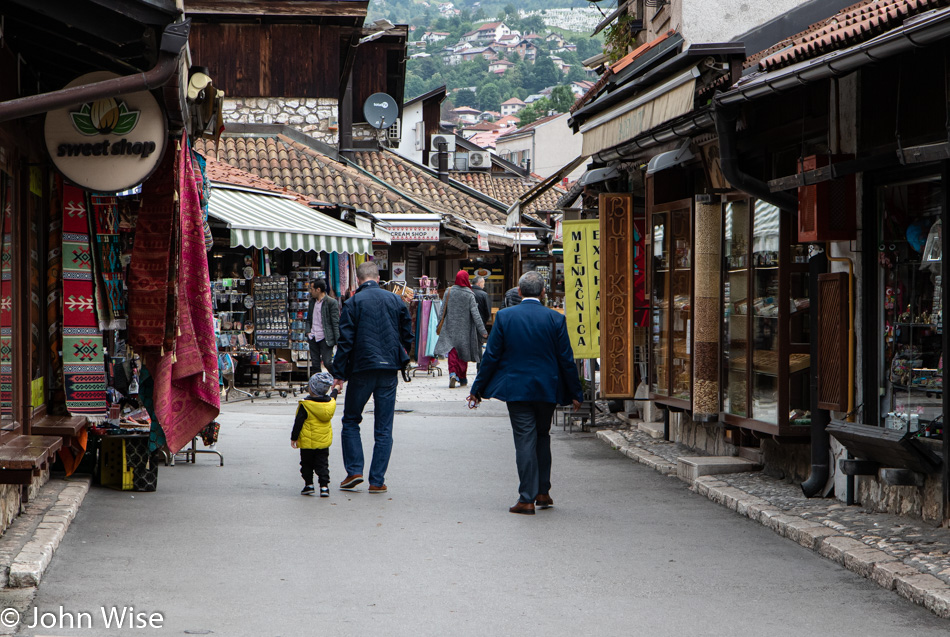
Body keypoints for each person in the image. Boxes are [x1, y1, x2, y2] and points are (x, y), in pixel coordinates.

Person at [467, 270, 583, 515]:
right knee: (542, 436)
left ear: (519, 292)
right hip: (546, 388)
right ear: (543, 292)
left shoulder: (506, 317)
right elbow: (566, 359)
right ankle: (543, 492)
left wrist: (477, 389)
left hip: (517, 389)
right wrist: (576, 392)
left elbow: (492, 356)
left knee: (524, 440)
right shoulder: (555, 319)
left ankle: (526, 497)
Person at [331, 262, 413, 494]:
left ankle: (354, 470)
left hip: (362, 368)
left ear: (358, 280)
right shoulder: (395, 300)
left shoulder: (353, 302)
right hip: (388, 370)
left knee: (351, 420)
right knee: (384, 428)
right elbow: (408, 333)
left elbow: (345, 341)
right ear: (378, 278)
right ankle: (377, 481)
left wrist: (339, 373)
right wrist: (400, 354)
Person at [434, 271, 487, 388]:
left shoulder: (449, 291)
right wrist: (482, 330)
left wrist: (439, 324)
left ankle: (452, 373)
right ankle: (462, 378)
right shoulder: (469, 294)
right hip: (465, 329)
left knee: (452, 352)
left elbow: (442, 310)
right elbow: (476, 314)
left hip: (450, 327)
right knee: (463, 354)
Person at [290, 372, 337, 497]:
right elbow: (333, 396)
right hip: (322, 443)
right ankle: (324, 487)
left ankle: (309, 485)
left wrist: (294, 438)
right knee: (322, 464)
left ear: (312, 388)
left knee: (306, 464)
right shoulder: (330, 404)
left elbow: (298, 423)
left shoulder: (305, 405)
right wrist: (336, 389)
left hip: (307, 443)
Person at [307, 279, 340, 372]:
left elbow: (335, 322)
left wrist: (338, 340)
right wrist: (307, 332)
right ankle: (317, 385)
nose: (310, 291)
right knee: (315, 364)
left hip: (325, 337)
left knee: (327, 362)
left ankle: (338, 377)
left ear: (318, 290)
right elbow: (308, 319)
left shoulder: (331, 302)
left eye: (312, 289)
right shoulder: (312, 302)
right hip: (313, 336)